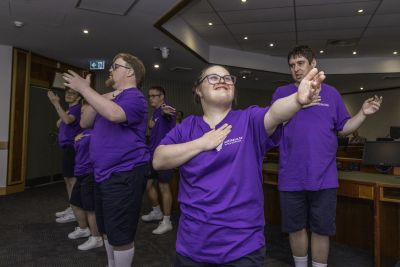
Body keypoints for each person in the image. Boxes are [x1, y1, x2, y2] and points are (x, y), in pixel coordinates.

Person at [153, 64, 325, 266]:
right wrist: (202, 143)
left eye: (228, 78)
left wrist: (296, 99)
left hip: (242, 247)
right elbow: (158, 159)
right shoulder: (187, 127)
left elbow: (275, 113)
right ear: (198, 90)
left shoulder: (248, 120)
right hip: (193, 246)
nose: (223, 81)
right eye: (214, 78)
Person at [271, 45, 383, 267]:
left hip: (324, 176)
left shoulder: (331, 93)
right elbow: (272, 123)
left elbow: (344, 128)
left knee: (322, 229)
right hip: (291, 176)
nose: (295, 68)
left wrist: (362, 113)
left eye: (300, 63)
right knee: (295, 228)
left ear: (313, 64)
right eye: (292, 65)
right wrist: (296, 104)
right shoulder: (281, 94)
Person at [63, 53, 149, 267]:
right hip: (103, 173)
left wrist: (85, 89)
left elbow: (114, 115)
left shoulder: (135, 97)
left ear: (129, 71)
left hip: (125, 173)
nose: (109, 70)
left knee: (120, 234)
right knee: (108, 230)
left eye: (114, 66)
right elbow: (84, 121)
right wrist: (97, 95)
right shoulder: (111, 97)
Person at [67, 101, 103, 251]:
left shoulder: (97, 132)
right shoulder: (83, 132)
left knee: (90, 208)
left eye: (83, 113)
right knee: (75, 202)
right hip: (80, 173)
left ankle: (96, 238)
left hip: (90, 175)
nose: (80, 115)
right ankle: (83, 228)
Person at [141, 85, 176, 234]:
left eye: (154, 96)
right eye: (149, 96)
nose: (151, 99)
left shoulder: (167, 109)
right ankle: (156, 211)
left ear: (162, 97)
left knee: (164, 187)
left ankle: (167, 221)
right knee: (147, 185)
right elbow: (151, 125)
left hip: (164, 155)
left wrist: (164, 112)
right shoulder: (155, 112)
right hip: (152, 154)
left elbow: (167, 114)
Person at [47, 88, 82, 223]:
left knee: (72, 180)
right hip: (67, 148)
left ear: (78, 97)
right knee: (68, 180)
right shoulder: (70, 109)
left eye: (72, 93)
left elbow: (67, 121)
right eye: (67, 93)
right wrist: (62, 110)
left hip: (72, 148)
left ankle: (76, 210)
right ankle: (72, 207)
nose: (68, 95)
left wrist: (56, 103)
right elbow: (58, 123)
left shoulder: (77, 109)